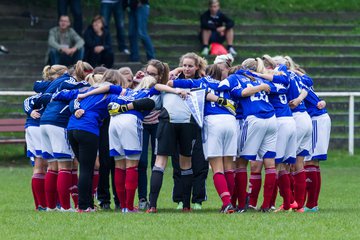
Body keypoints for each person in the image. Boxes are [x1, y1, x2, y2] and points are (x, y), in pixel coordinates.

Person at [168, 53, 209, 211]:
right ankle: (180, 200)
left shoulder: (202, 81)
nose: (186, 69)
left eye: (190, 66)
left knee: (199, 164)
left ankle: (197, 200)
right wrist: (176, 69)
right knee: (178, 166)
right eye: (184, 65)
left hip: (197, 125)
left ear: (197, 67)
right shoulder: (175, 81)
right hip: (179, 127)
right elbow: (163, 83)